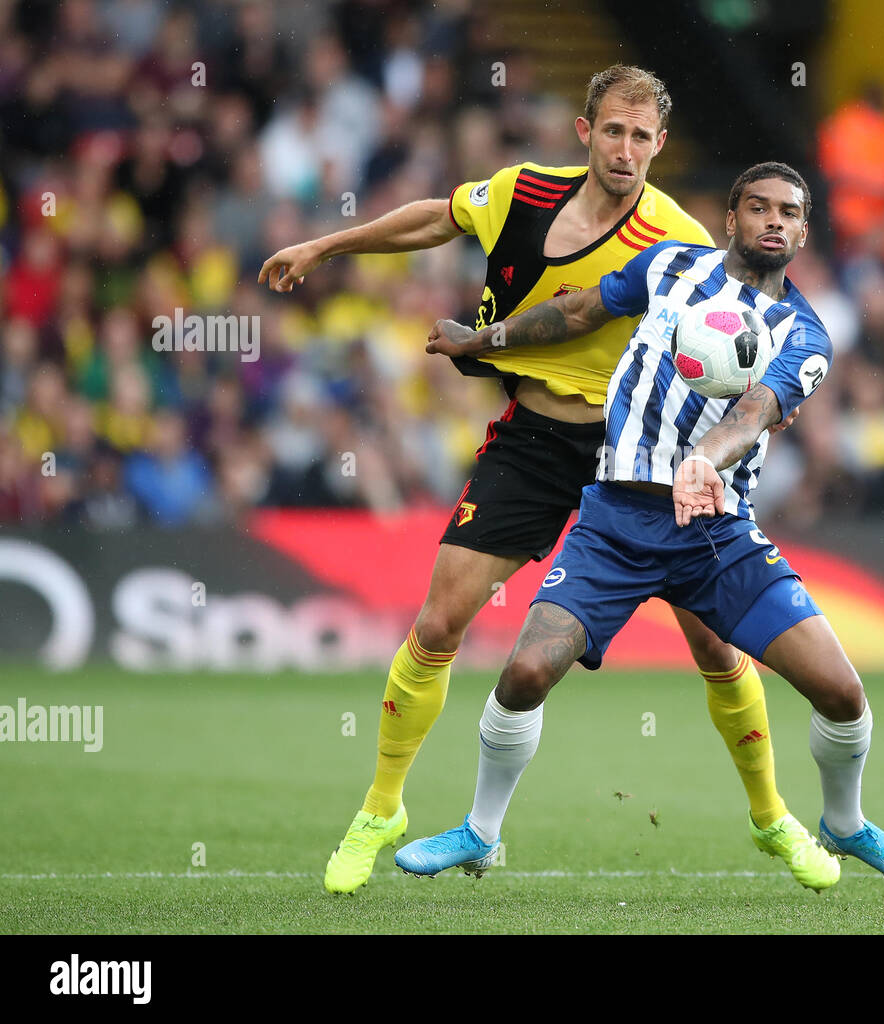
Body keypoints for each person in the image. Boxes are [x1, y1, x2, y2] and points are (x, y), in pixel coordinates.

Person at [258, 66, 832, 894]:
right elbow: (437, 219)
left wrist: (776, 389)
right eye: (613, 131)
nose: (627, 150)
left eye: (642, 138)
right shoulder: (519, 191)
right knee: (440, 620)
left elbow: (746, 310)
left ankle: (772, 817)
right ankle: (383, 807)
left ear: (659, 146)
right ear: (584, 131)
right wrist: (326, 243)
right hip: (532, 441)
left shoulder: (672, 235)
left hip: (633, 454)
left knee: (716, 643)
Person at [399, 162, 884, 888]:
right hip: (616, 517)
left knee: (842, 694)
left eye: (788, 213)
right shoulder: (669, 265)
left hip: (717, 532)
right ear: (732, 219)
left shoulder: (803, 335)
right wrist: (485, 341)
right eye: (758, 208)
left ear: (805, 232)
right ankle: (479, 831)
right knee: (526, 671)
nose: (773, 221)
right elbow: (582, 311)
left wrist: (704, 461)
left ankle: (845, 824)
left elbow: (754, 413)